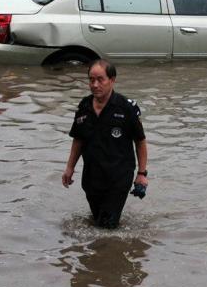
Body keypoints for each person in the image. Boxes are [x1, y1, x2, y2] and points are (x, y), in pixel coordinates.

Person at [62, 59, 148, 228]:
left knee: (106, 226)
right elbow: (78, 139)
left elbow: (140, 141)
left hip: (118, 177)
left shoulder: (126, 108)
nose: (95, 85)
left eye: (100, 79)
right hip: (92, 177)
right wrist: (70, 168)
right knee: (97, 222)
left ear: (112, 80)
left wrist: (142, 174)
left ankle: (107, 252)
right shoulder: (84, 107)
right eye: (91, 80)